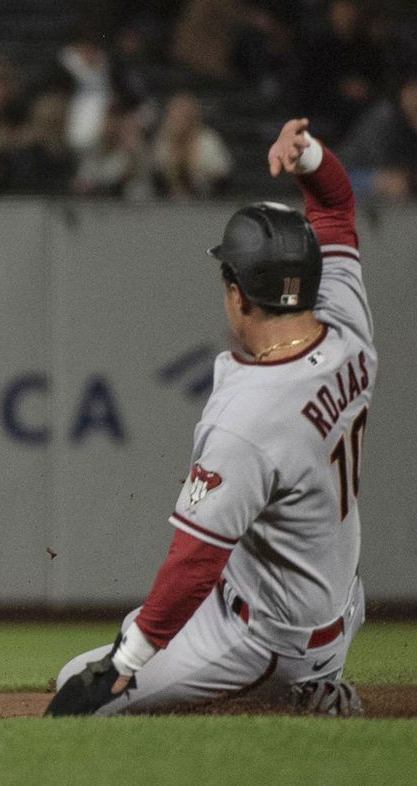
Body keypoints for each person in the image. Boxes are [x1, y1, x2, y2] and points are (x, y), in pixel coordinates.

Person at [47, 117, 371, 717]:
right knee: (136, 633)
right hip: (335, 600)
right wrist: (311, 157)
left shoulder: (249, 417)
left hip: (266, 635)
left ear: (239, 293)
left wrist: (125, 665)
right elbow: (336, 206)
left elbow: (195, 560)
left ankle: (304, 694)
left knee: (78, 690)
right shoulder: (347, 331)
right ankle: (314, 671)